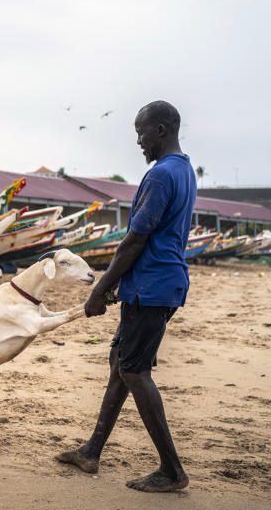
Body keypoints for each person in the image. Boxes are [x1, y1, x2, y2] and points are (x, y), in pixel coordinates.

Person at [56, 100, 196, 493]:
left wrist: (99, 289)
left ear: (162, 131)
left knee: (135, 371)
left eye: (142, 132)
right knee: (121, 360)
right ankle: (91, 451)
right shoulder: (184, 170)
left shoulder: (161, 175)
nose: (138, 141)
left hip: (153, 286)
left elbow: (135, 239)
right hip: (159, 283)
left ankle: (171, 470)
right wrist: (120, 283)